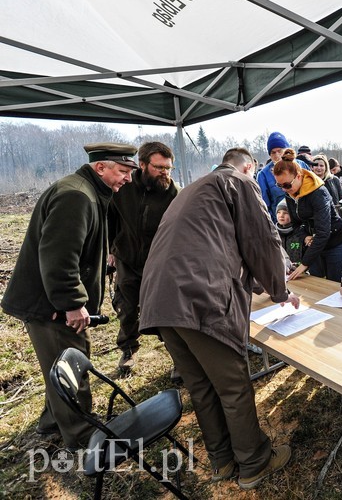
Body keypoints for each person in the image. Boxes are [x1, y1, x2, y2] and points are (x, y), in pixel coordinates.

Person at [139, 147, 299, 490]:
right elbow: (261, 240)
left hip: (160, 300)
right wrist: (280, 291)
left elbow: (219, 247)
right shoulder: (239, 182)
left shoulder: (195, 189)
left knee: (201, 386)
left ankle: (222, 460)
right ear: (248, 167)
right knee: (233, 386)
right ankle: (254, 462)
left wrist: (262, 285)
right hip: (199, 300)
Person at [2, 142, 137, 450]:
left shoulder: (88, 191)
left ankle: (52, 422)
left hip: (52, 303)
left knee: (60, 363)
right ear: (100, 167)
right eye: (123, 171)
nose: (128, 179)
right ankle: (82, 436)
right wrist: (73, 304)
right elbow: (59, 257)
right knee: (71, 367)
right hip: (52, 307)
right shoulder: (76, 196)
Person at [107, 141, 181, 374]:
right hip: (127, 257)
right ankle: (128, 350)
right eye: (159, 167)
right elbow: (110, 217)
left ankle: (179, 357)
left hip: (158, 263)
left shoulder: (173, 193)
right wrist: (111, 249)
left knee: (165, 310)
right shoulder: (124, 186)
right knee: (127, 307)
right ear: (142, 165)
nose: (164, 172)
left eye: (168, 168)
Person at [273, 149, 342, 282]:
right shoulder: (290, 193)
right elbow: (295, 224)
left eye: (287, 185)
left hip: (335, 243)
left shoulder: (318, 192)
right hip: (314, 244)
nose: (284, 189)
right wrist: (305, 236)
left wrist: (304, 264)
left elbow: (323, 232)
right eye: (279, 185)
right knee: (314, 283)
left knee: (335, 284)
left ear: (298, 176)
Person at [256, 131, 309, 223]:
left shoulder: (302, 165)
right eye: (273, 152)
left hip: (305, 220)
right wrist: (274, 225)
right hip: (281, 223)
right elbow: (264, 205)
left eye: (280, 151)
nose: (277, 155)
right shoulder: (263, 175)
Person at [275, 199, 307, 272]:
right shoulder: (273, 233)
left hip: (301, 273)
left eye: (286, 213)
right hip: (281, 272)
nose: (281, 215)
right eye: (278, 212)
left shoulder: (303, 233)